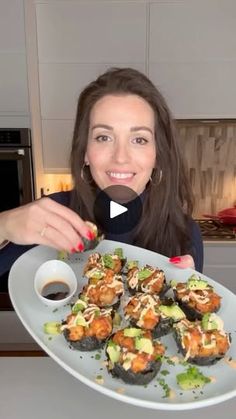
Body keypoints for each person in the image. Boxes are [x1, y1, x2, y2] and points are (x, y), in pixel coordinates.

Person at [0, 67, 203, 277]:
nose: (121, 157)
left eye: (139, 140)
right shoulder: (49, 216)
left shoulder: (185, 232)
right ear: (85, 151)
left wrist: (186, 300)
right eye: (103, 137)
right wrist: (3, 225)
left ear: (157, 155)